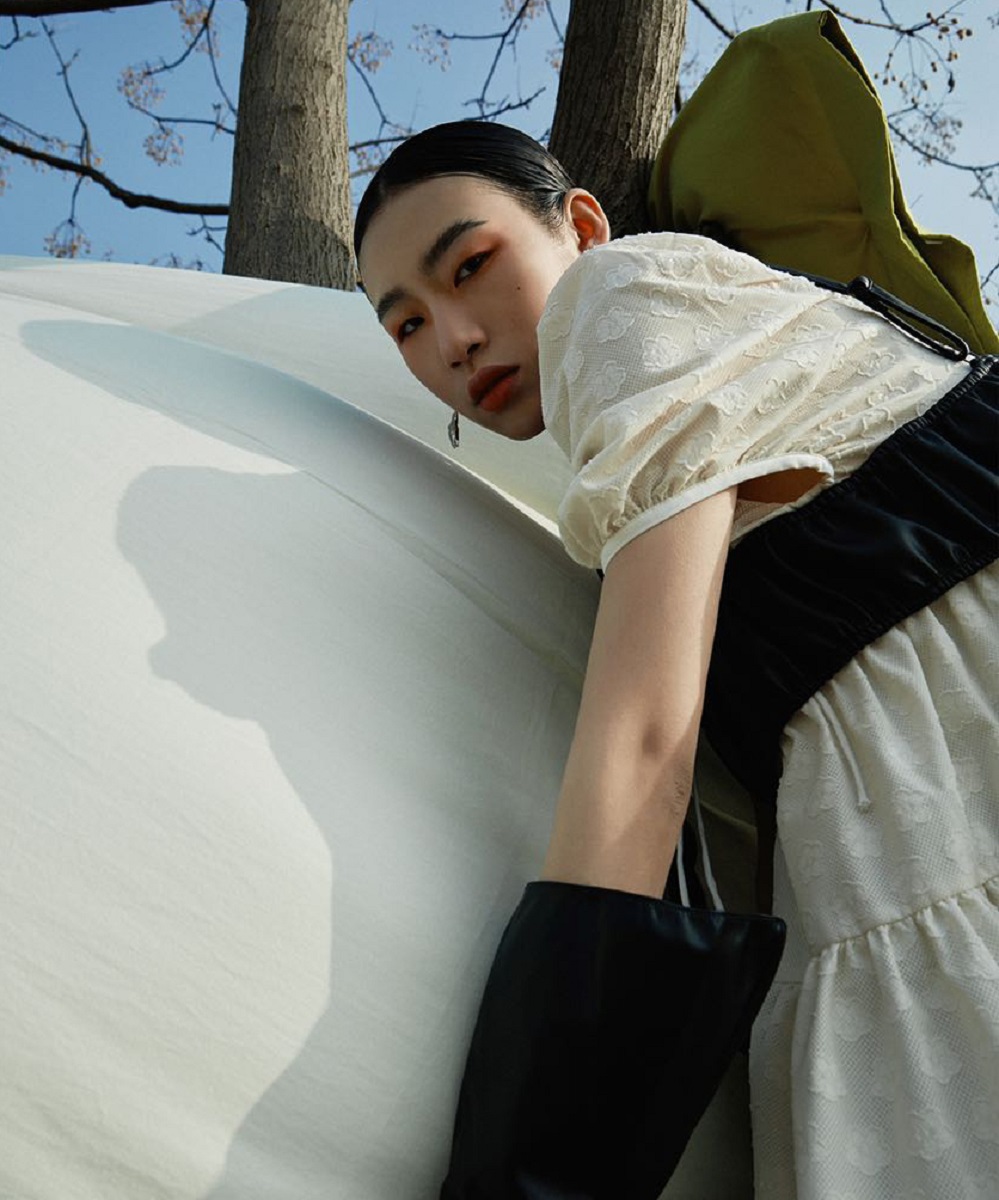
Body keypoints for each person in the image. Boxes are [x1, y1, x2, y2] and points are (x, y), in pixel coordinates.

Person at [353, 120, 999, 1199]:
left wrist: (527, 1168)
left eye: (470, 266)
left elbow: (647, 735)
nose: (452, 341)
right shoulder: (713, 339)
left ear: (583, 227)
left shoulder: (614, 299)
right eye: (406, 325)